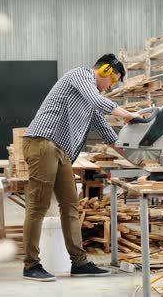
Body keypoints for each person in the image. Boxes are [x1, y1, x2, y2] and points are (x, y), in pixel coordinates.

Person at [21, 54, 140, 281]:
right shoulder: (80, 75)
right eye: (112, 80)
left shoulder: (90, 98)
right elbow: (99, 103)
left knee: (70, 206)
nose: (110, 86)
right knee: (38, 206)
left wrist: (138, 156)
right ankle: (30, 265)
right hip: (42, 142)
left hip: (61, 150)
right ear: (104, 70)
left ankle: (80, 263)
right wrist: (128, 115)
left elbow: (106, 132)